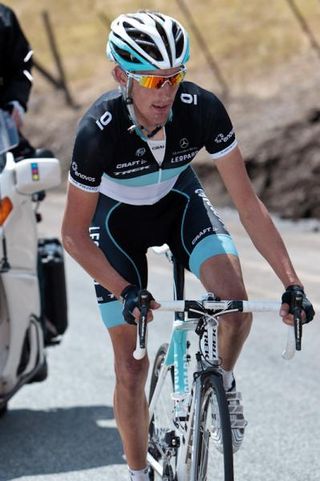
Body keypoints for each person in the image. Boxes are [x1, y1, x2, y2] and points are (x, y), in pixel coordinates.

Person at [61, 11, 315, 481]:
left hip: (179, 204)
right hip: (115, 226)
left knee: (233, 306)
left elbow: (249, 206)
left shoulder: (202, 109)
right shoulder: (98, 131)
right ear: (122, 76)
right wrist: (124, 291)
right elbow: (73, 236)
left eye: (175, 76)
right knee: (130, 369)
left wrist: (292, 283)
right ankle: (139, 473)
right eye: (153, 78)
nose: (166, 91)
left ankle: (221, 383)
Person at [0, 3, 34, 158]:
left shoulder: (4, 18)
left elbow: (22, 65)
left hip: (3, 131)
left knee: (32, 169)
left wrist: (16, 102)